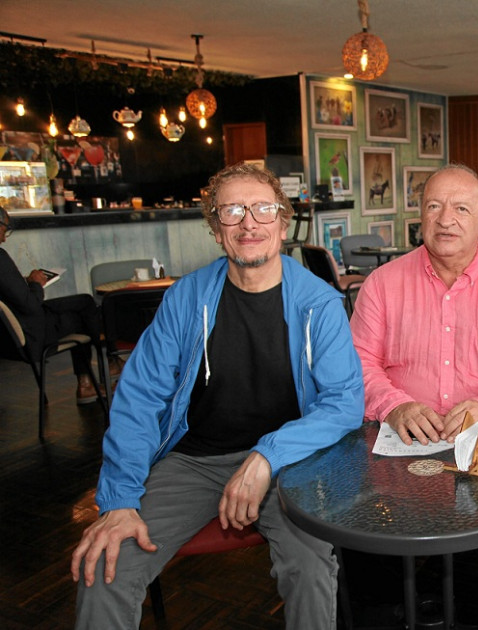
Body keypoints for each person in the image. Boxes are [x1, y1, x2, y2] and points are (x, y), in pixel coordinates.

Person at [70, 163, 364, 629]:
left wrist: (267, 456)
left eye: (263, 209)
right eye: (232, 211)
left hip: (290, 464)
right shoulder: (186, 299)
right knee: (104, 568)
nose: (249, 223)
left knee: (310, 569)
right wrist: (120, 500)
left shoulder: (318, 302)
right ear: (215, 228)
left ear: (282, 223)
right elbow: (139, 398)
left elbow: (344, 403)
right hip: (194, 461)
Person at [349, 164, 478, 445]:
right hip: (400, 438)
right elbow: (359, 361)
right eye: (434, 206)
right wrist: (394, 405)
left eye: (461, 209)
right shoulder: (381, 284)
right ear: (421, 215)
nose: (446, 220)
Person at [0, 206, 106, 404]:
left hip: (9, 339)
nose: (5, 238)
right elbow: (31, 305)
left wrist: (25, 283)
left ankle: (91, 380)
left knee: (83, 301)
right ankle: (100, 370)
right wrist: (35, 283)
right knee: (83, 312)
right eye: (5, 230)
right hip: (32, 334)